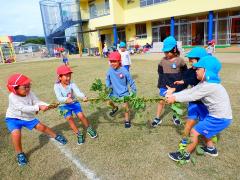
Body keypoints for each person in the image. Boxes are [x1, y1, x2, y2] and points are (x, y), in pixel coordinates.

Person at [167, 56, 232, 162]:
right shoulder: (205, 83)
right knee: (205, 131)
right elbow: (190, 92)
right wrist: (174, 95)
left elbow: (193, 96)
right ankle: (211, 149)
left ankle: (185, 155)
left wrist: (174, 98)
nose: (195, 70)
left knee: (194, 132)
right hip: (218, 116)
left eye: (198, 69)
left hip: (220, 118)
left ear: (206, 71)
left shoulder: (210, 86)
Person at [5, 74, 67, 166]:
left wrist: (48, 105)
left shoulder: (30, 93)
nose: (28, 88)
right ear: (15, 89)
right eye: (25, 87)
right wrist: (38, 107)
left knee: (42, 127)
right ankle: (20, 154)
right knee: (16, 134)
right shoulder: (12, 97)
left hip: (27, 118)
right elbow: (22, 108)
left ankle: (56, 136)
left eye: (29, 86)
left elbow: (37, 102)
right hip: (13, 118)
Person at [167, 47, 209, 136]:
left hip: (204, 104)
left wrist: (185, 81)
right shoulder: (191, 71)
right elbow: (184, 82)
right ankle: (184, 144)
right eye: (189, 59)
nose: (189, 61)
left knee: (205, 124)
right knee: (189, 123)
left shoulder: (206, 73)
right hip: (193, 102)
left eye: (191, 59)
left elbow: (194, 80)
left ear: (200, 60)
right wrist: (174, 89)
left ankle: (210, 146)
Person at [54, 65, 97, 145]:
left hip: (74, 103)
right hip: (63, 106)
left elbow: (77, 92)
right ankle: (78, 134)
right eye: (66, 76)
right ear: (60, 77)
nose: (68, 78)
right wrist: (66, 99)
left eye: (69, 75)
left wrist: (83, 96)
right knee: (69, 118)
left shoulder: (72, 84)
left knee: (81, 116)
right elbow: (59, 97)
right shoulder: (56, 86)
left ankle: (89, 128)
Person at [151, 36, 188, 127]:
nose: (166, 53)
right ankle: (157, 118)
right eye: (165, 51)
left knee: (176, 102)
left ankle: (175, 116)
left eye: (168, 52)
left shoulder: (180, 61)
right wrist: (161, 85)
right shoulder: (162, 61)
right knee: (161, 101)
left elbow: (185, 73)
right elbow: (160, 73)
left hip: (175, 87)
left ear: (174, 49)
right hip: (165, 86)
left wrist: (181, 83)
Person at [106, 52, 137, 128]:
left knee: (125, 107)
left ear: (119, 61)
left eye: (115, 61)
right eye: (111, 62)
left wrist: (133, 92)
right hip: (113, 92)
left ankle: (127, 120)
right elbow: (107, 79)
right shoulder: (110, 70)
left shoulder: (124, 70)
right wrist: (107, 88)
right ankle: (114, 108)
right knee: (108, 102)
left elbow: (131, 82)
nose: (113, 63)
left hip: (124, 92)